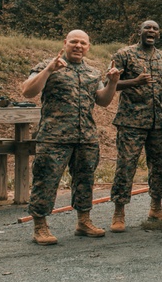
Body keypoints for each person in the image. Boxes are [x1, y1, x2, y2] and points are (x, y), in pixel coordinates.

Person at [22, 31, 120, 244]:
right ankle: (40, 226)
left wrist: (112, 83)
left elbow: (103, 101)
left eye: (82, 43)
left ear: (88, 47)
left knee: (85, 180)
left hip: (85, 137)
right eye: (74, 42)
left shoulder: (92, 72)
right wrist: (48, 70)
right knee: (46, 180)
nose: (78, 46)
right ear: (65, 43)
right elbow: (27, 91)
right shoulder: (47, 66)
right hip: (53, 137)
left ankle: (83, 221)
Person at [109, 20, 162, 233]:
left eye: (155, 29)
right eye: (147, 28)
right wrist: (134, 82)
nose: (151, 31)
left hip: (157, 121)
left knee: (160, 166)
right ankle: (119, 212)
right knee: (126, 166)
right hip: (131, 121)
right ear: (139, 31)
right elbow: (109, 85)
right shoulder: (124, 55)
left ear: (159, 34)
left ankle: (156, 208)